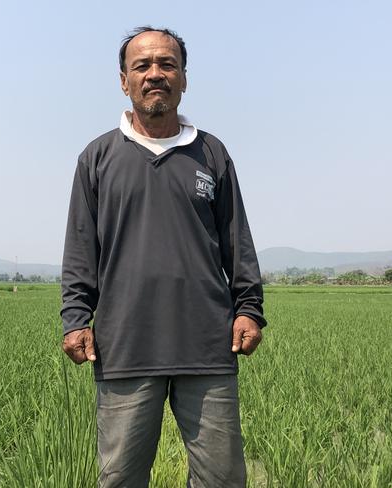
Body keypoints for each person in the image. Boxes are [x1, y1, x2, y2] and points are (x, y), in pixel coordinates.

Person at [60, 26, 266, 487]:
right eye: (143, 66)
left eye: (167, 64)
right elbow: (80, 250)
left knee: (222, 479)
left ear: (184, 78)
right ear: (124, 80)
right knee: (121, 479)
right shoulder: (96, 159)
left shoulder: (212, 153)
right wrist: (76, 319)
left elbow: (238, 241)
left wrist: (249, 308)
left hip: (208, 345)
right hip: (126, 345)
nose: (156, 74)